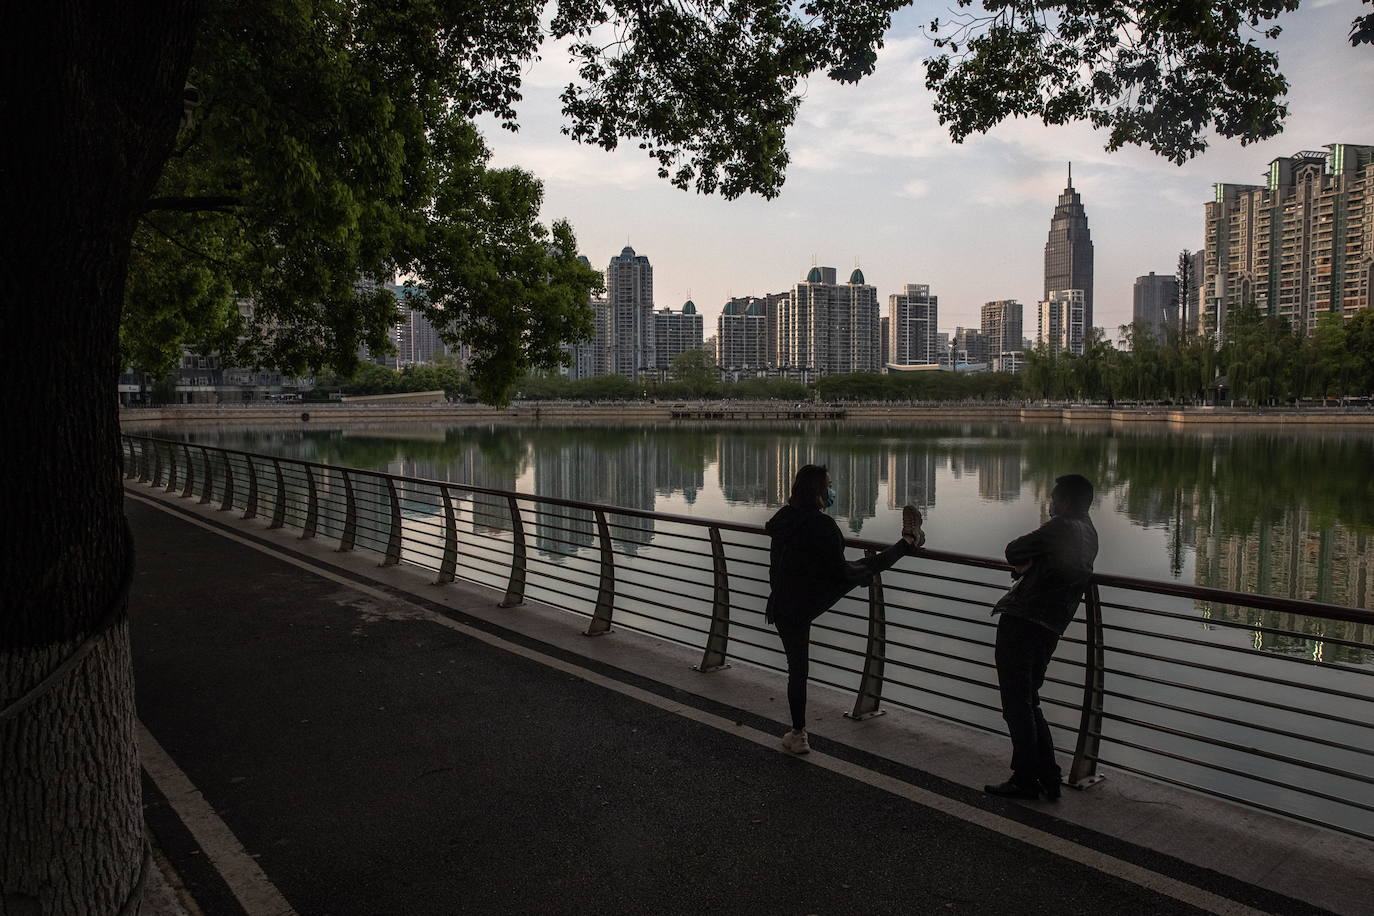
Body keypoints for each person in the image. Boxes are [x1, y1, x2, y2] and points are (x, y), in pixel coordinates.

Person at [765, 464, 923, 755]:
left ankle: (798, 733)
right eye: (829, 485)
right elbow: (836, 567)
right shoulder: (823, 525)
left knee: (797, 671)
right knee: (867, 566)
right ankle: (909, 540)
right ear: (819, 491)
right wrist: (855, 575)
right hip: (809, 597)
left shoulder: (783, 518)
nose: (832, 489)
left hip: (782, 601)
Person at [985, 474, 1099, 800]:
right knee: (1028, 700)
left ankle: (1025, 779)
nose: (1050, 504)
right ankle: (1048, 776)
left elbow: (1013, 549)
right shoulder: (1090, 534)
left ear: (1063, 502)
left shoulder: (1061, 527)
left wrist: (1027, 563)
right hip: (1051, 626)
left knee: (1016, 705)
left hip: (1023, 620)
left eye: (1053, 499)